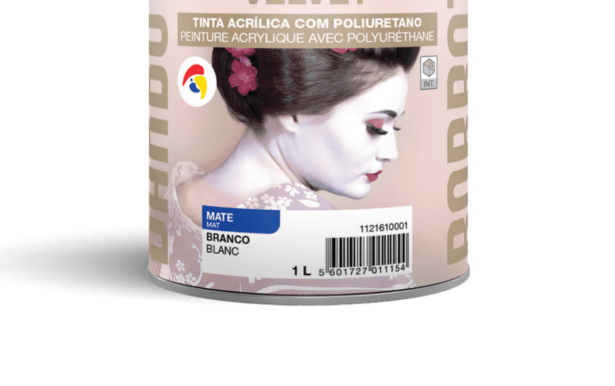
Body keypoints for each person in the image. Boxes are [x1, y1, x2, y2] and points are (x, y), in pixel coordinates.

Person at [152, 47, 420, 295]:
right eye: (375, 127)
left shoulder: (179, 192)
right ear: (294, 111)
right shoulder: (316, 235)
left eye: (394, 127)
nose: (391, 152)